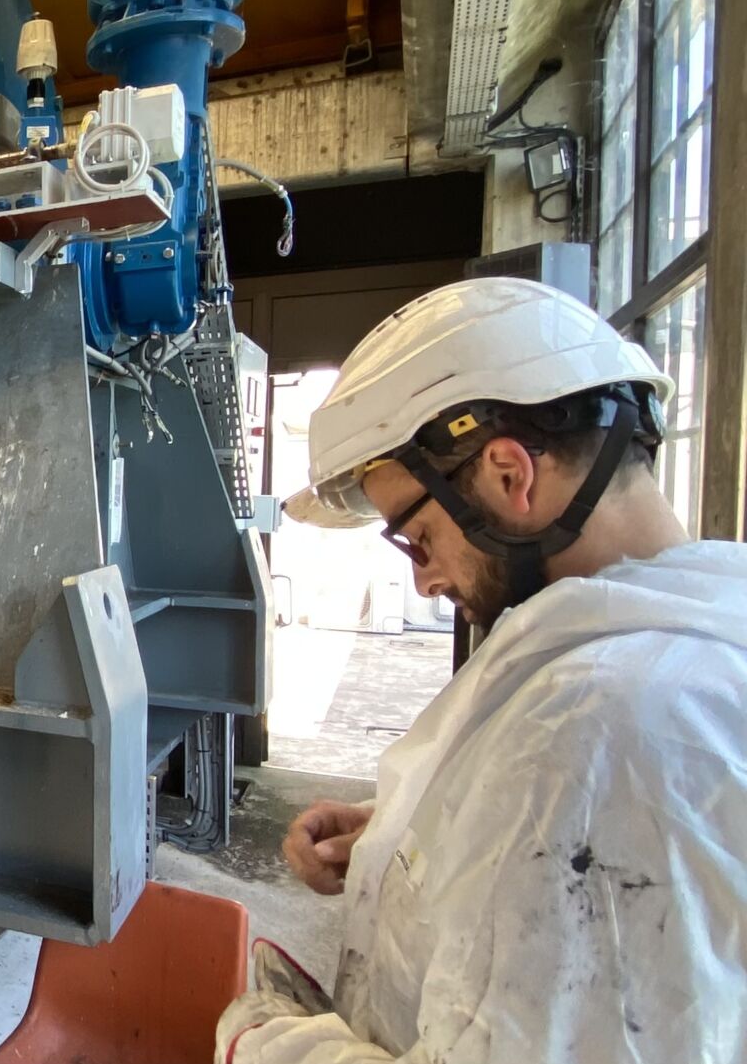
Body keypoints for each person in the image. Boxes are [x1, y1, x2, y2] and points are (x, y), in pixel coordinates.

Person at [215, 276, 747, 1063]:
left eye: (417, 536)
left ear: (509, 474)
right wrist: (415, 837)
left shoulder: (599, 730)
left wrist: (264, 1041)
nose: (425, 578)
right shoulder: (692, 632)